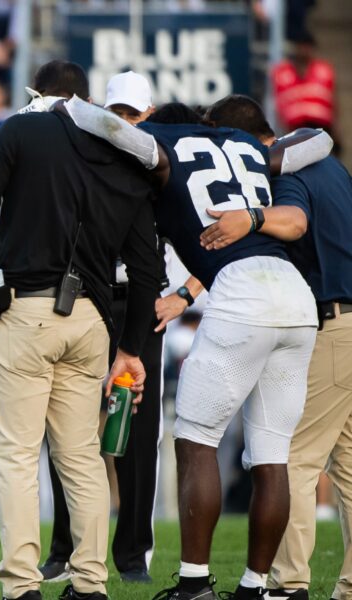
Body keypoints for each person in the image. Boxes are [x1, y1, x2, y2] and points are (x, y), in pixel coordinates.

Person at [64, 95, 332, 599]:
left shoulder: (162, 146)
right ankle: (254, 587)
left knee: (196, 439)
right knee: (272, 453)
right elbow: (320, 140)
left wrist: (66, 106)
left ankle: (192, 583)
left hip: (239, 292)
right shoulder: (246, 144)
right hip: (295, 297)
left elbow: (109, 127)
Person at [0, 60, 165, 600]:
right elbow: (146, 270)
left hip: (27, 310)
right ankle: (91, 583)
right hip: (93, 322)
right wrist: (132, 350)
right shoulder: (125, 151)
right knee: (82, 459)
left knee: (19, 458)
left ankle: (23, 585)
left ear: (39, 95)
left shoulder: (25, 127)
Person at [177, 98, 352, 600]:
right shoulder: (327, 163)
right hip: (345, 317)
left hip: (329, 320)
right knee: (348, 466)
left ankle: (287, 585)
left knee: (288, 456)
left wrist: (250, 215)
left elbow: (285, 224)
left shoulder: (286, 176)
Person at [39, 70, 165, 585]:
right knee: (68, 428)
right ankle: (64, 547)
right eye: (117, 114)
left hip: (139, 303)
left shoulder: (160, 167)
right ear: (102, 111)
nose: (124, 124)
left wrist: (185, 293)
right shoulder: (83, 157)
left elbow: (194, 234)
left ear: (148, 117)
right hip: (87, 300)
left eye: (133, 116)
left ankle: (133, 555)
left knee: (136, 434)